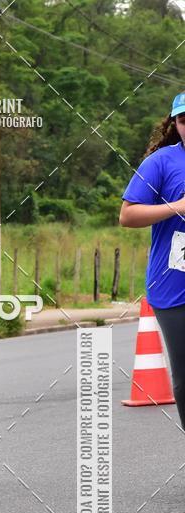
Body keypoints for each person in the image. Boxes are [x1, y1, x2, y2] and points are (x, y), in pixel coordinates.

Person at [120, 92, 185, 429]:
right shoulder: (160, 163)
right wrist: (178, 206)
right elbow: (128, 215)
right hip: (174, 287)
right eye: (184, 120)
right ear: (174, 124)